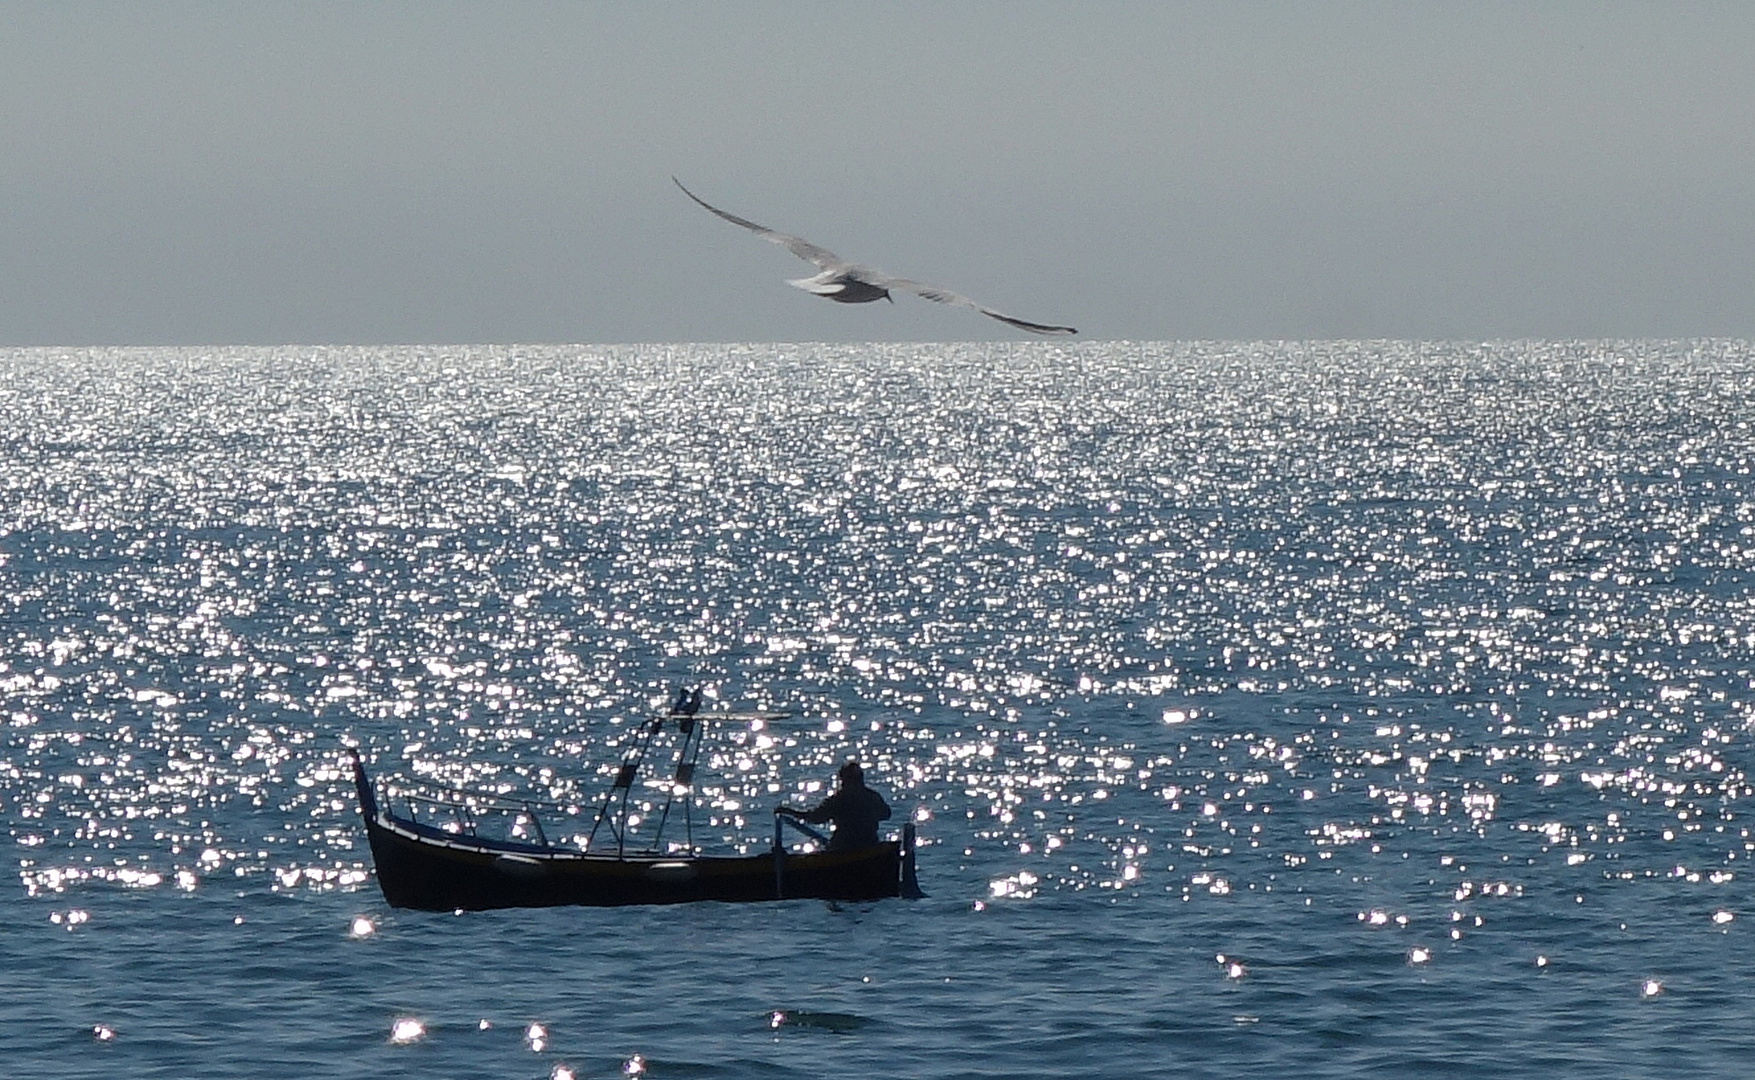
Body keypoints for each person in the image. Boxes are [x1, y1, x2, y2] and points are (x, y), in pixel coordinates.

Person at [778, 760, 892, 850]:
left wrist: (790, 812)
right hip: (870, 845)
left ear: (844, 780)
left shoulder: (839, 800)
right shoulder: (872, 796)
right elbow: (886, 814)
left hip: (843, 848)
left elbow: (815, 818)